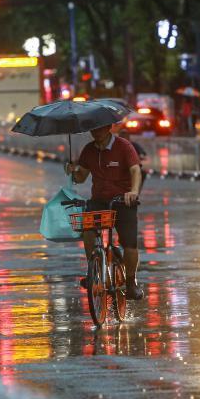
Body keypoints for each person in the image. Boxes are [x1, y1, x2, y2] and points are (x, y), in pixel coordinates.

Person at [66, 123, 145, 300]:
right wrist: (72, 171)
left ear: (109, 127)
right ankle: (93, 271)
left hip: (123, 202)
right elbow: (81, 177)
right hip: (99, 202)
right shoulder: (89, 150)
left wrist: (133, 191)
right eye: (93, 129)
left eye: (100, 128)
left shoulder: (124, 146)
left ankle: (131, 283)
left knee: (130, 245)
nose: (96, 132)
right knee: (88, 230)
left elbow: (135, 170)